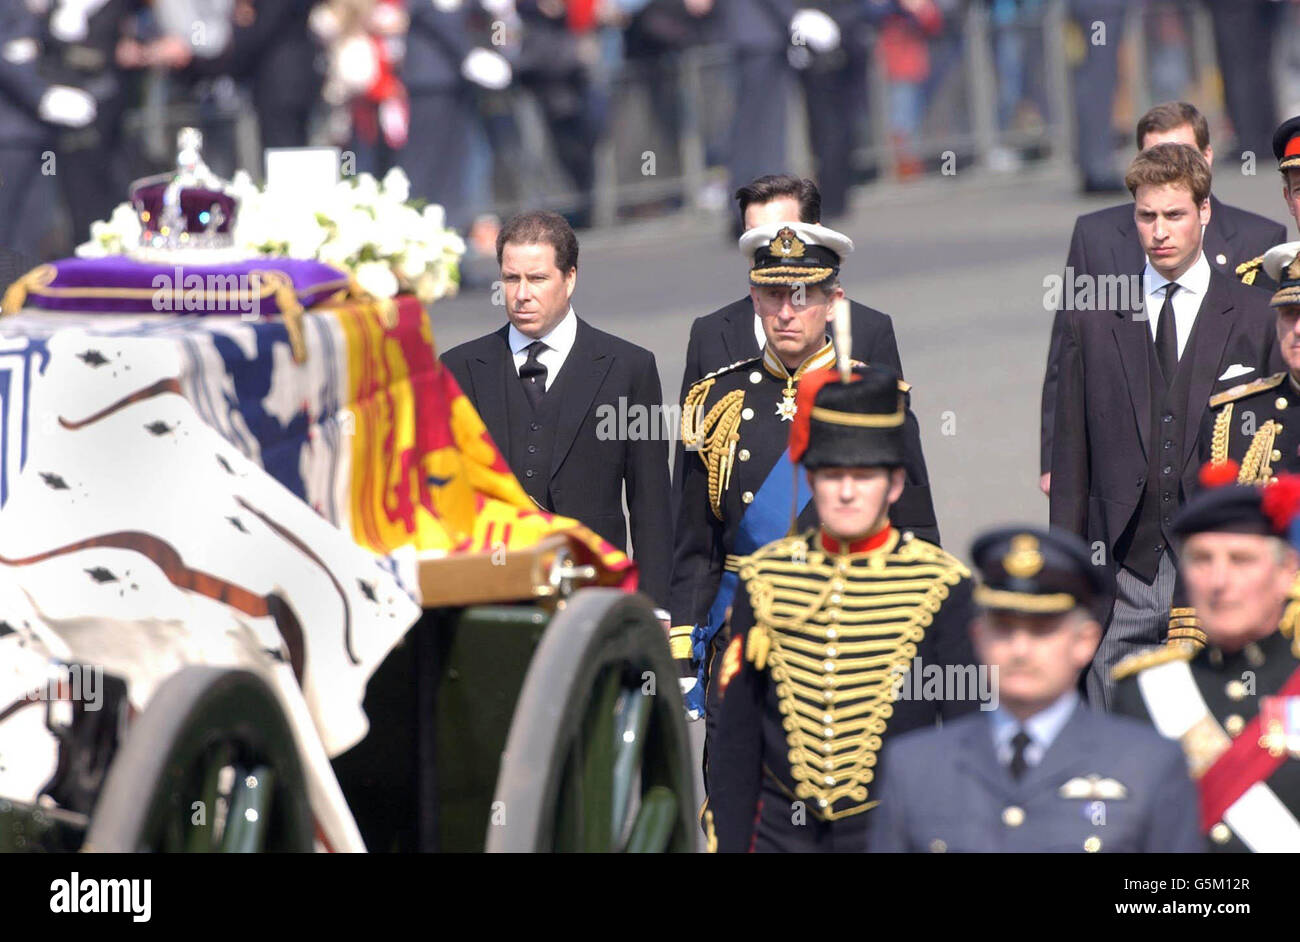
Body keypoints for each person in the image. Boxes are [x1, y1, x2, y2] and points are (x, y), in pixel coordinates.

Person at [706, 363, 976, 852]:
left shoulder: (943, 586)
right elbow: (738, 736)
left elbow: (967, 736)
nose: (846, 491)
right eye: (832, 475)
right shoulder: (764, 579)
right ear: (811, 478)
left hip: (893, 832)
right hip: (781, 836)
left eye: (864, 475)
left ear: (894, 485)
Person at [1050, 142, 1276, 708]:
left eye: (1174, 215)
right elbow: (1071, 460)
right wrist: (1066, 576)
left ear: (1204, 213)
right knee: (1113, 743)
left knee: (1216, 731)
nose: (1159, 231)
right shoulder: (1094, 317)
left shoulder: (1256, 315)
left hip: (1215, 572)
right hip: (1122, 572)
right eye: (1146, 216)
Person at [868, 526, 1203, 853]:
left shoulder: (1148, 766)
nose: (1020, 650)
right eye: (1003, 629)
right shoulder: (915, 767)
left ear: (1085, 641)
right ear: (978, 638)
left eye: (1042, 630)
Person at [1040, 102, 1286, 494]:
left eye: (1182, 155)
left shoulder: (1259, 240)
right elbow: (1066, 359)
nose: (1159, 232)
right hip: (1126, 495)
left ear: (1206, 159)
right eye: (1153, 156)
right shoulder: (1096, 237)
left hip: (1217, 483)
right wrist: (1057, 458)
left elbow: (1272, 373)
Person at [677, 174, 937, 543]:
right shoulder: (708, 336)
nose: (764, 246)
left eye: (778, 231)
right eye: (752, 236)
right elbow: (691, 508)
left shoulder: (869, 328)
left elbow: (905, 488)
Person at [440, 211, 672, 608]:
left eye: (538, 279)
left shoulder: (629, 368)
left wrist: (658, 610)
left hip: (596, 596)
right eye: (511, 279)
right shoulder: (458, 369)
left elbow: (651, 504)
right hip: (490, 597)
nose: (521, 294)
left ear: (570, 279)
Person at [1112, 477, 1300, 851]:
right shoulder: (1144, 691)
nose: (1218, 581)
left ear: (1286, 573)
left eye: (1241, 560)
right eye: (1201, 560)